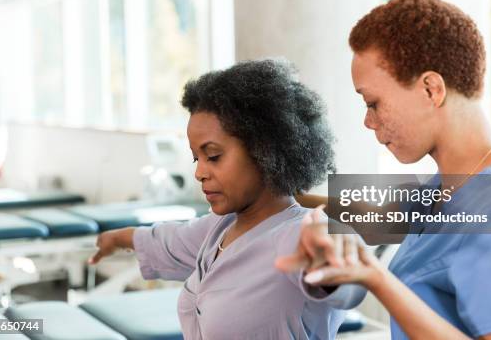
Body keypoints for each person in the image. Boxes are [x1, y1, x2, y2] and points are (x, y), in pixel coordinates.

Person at [277, 0, 491, 340]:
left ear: (431, 89)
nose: (368, 121)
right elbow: (362, 208)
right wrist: (283, 197)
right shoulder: (444, 189)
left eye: (373, 103)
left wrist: (376, 278)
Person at [89, 59, 366, 339]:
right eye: (197, 158)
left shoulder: (297, 235)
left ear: (264, 150)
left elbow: (347, 281)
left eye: (213, 156)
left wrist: (332, 268)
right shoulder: (220, 227)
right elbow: (169, 240)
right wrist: (117, 239)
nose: (199, 172)